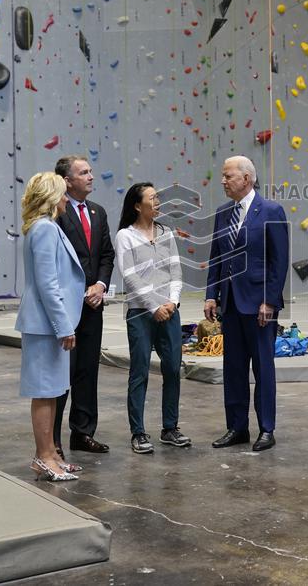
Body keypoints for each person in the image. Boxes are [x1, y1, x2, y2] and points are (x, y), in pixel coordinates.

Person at [204, 156, 289, 452]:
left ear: (247, 179)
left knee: (263, 368)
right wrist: (211, 294)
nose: (224, 181)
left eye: (229, 176)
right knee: (234, 369)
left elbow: (279, 262)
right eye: (223, 177)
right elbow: (216, 257)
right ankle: (237, 427)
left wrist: (270, 301)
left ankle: (267, 428)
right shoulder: (222, 212)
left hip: (258, 306)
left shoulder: (271, 211)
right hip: (230, 304)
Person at [15, 172, 86, 482]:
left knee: (54, 391)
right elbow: (47, 284)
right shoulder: (44, 229)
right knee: (45, 393)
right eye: (62, 194)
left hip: (48, 324)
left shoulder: (45, 227)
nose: (66, 199)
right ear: (51, 197)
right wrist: (63, 326)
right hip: (45, 325)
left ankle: (51, 453)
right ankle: (43, 456)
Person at [115, 182, 190, 455]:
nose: (158, 202)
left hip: (169, 311)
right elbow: (129, 275)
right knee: (140, 372)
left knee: (172, 368)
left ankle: (170, 428)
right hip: (140, 313)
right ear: (137, 205)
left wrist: (172, 301)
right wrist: (153, 306)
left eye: (158, 197)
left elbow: (176, 271)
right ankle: (138, 432)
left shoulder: (166, 233)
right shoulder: (126, 236)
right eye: (153, 198)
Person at [53, 155, 115, 458]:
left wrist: (100, 286)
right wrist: (79, 291)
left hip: (93, 306)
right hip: (66, 307)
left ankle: (83, 432)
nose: (91, 176)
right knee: (63, 373)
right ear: (67, 180)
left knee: (88, 371)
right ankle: (52, 441)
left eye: (91, 171)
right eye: (84, 173)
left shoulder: (98, 212)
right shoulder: (56, 213)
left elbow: (106, 255)